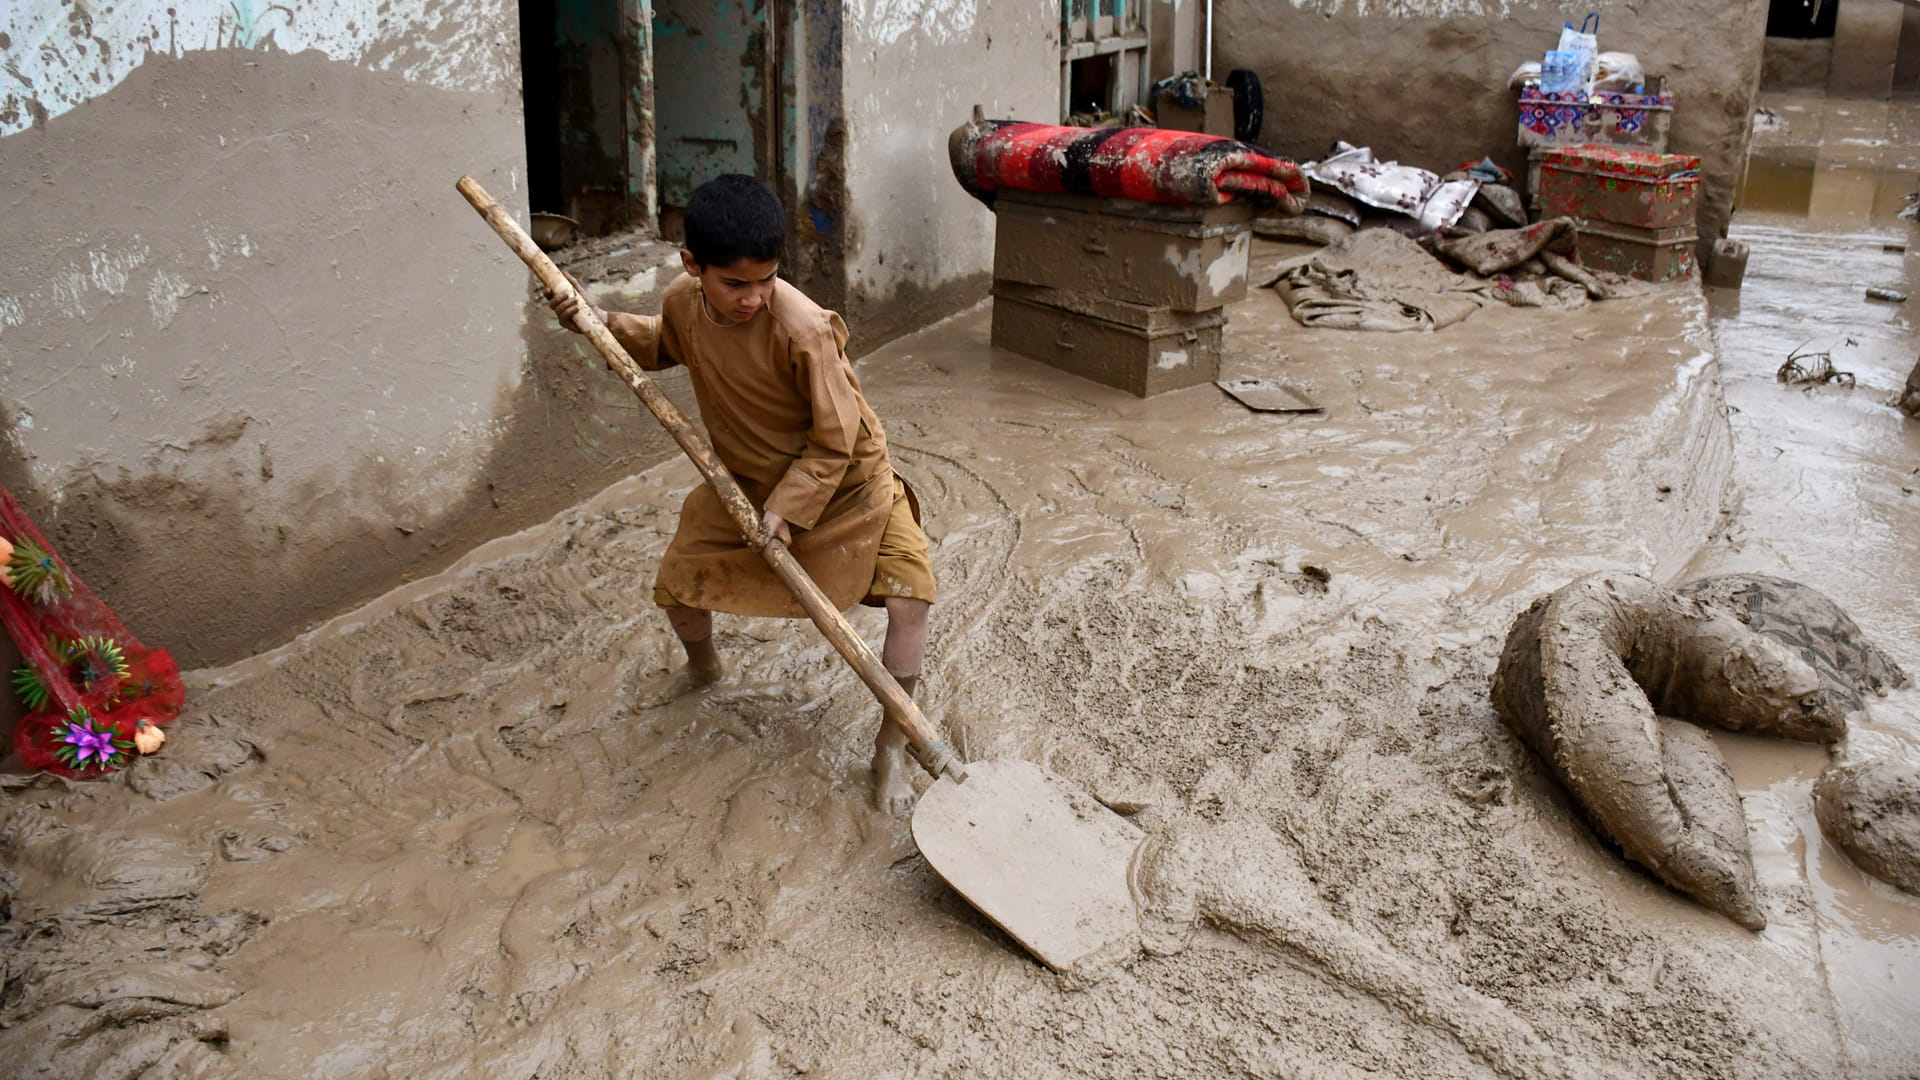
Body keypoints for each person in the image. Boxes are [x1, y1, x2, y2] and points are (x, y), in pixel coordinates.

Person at [547, 174, 937, 814]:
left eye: (767, 280)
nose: (753, 298)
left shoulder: (804, 329)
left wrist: (788, 509)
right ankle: (704, 671)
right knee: (677, 585)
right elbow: (660, 344)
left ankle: (891, 748)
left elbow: (837, 441)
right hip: (747, 488)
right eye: (735, 284)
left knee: (910, 603)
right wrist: (595, 321)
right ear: (692, 265)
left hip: (846, 488)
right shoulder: (681, 301)